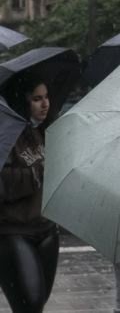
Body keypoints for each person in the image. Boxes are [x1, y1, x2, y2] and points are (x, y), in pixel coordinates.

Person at [0, 81, 59, 313]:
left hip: (46, 229)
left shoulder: (45, 130)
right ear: (22, 101)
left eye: (46, 97)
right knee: (29, 304)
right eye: (36, 99)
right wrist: (36, 174)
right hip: (14, 232)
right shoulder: (5, 134)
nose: (45, 104)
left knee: (37, 304)